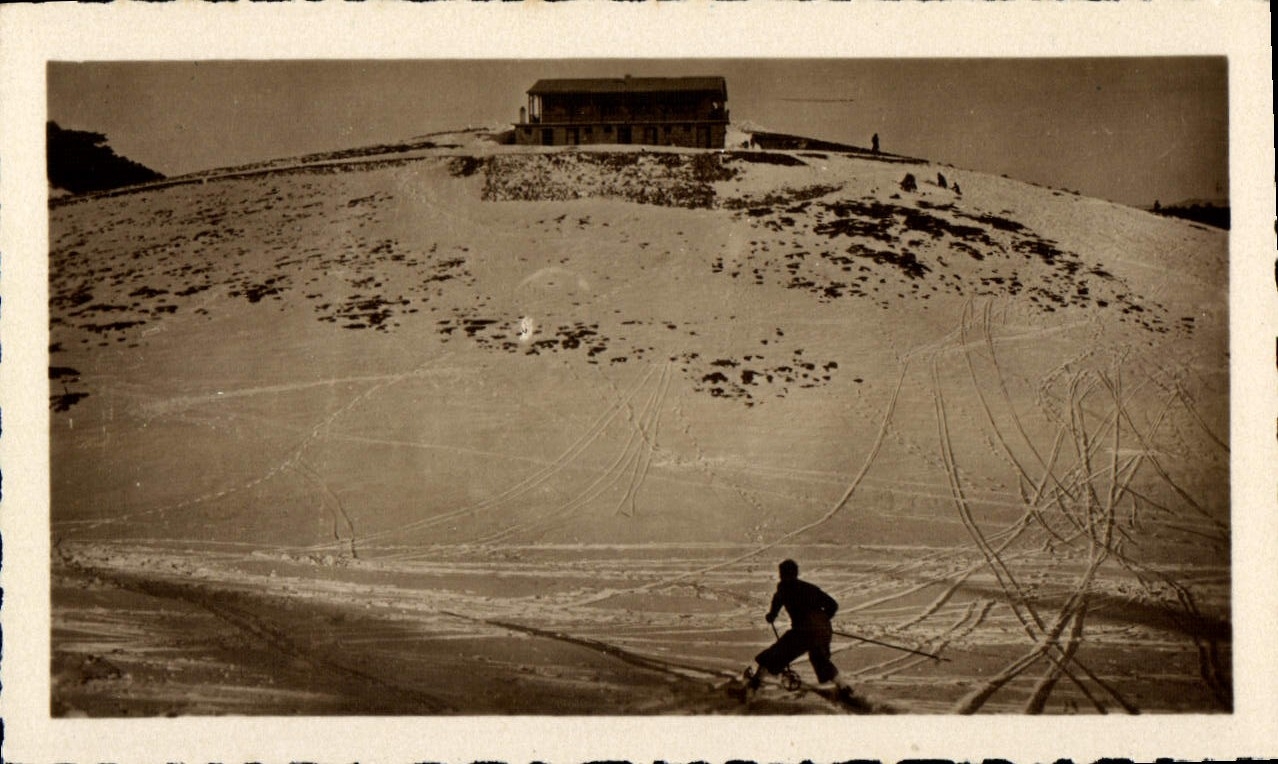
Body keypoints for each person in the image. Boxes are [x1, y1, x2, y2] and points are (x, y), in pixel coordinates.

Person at [740, 559, 855, 698]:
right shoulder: (809, 588)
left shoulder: (783, 588)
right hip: (822, 630)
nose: (782, 576)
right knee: (820, 659)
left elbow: (776, 604)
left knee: (776, 653)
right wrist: (822, 621)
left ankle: (754, 685)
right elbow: (832, 605)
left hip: (803, 632)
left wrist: (771, 616)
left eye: (782, 573)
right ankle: (843, 688)